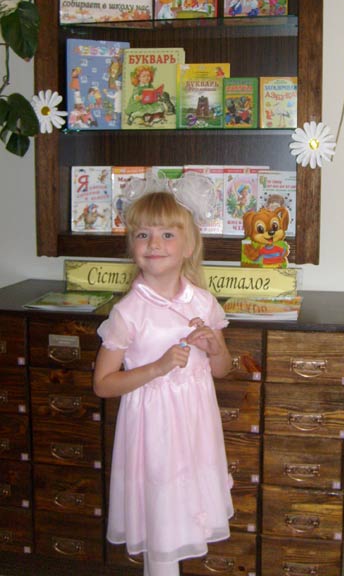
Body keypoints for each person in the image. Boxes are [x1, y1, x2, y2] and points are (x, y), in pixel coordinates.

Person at [93, 186, 234, 576]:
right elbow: (103, 384)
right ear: (132, 246)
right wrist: (157, 367)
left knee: (186, 513)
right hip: (153, 435)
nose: (154, 243)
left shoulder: (204, 302)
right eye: (143, 234)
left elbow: (222, 369)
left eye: (167, 234)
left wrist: (215, 347)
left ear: (189, 246)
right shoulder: (128, 312)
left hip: (196, 430)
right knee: (161, 523)